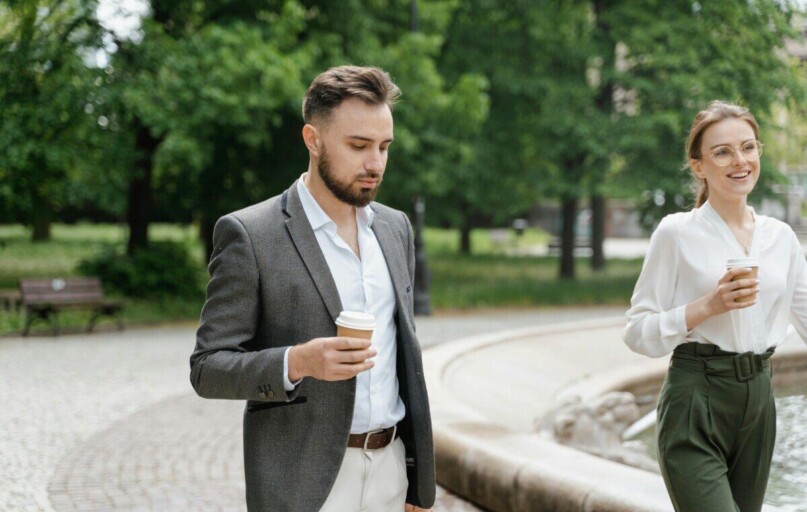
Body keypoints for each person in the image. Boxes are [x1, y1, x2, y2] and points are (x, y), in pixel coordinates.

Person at [190, 65, 435, 512]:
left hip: (391, 470)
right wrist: (297, 361)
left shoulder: (396, 229)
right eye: (359, 145)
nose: (375, 163)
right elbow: (208, 368)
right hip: (305, 484)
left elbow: (404, 357)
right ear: (313, 139)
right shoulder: (250, 234)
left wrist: (415, 478)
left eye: (384, 147)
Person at [623, 100, 807, 512]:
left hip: (759, 399)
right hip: (695, 397)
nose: (739, 160)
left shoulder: (780, 238)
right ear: (699, 166)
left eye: (748, 147)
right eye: (722, 151)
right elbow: (637, 330)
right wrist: (706, 306)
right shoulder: (676, 233)